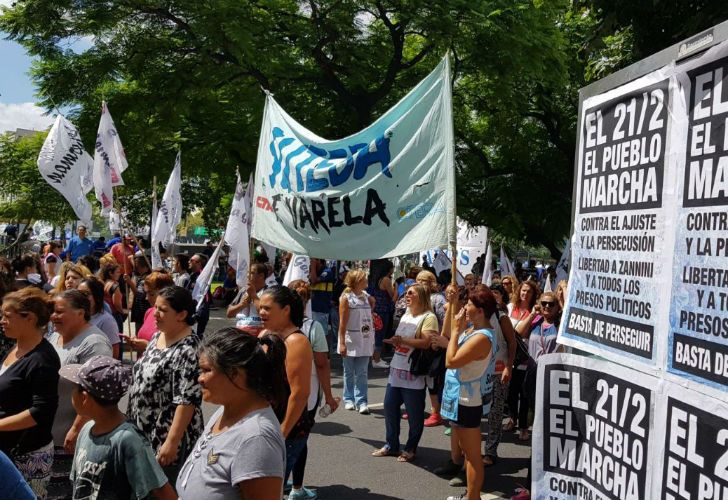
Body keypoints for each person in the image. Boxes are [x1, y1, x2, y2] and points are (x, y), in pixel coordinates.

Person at [176, 327, 287, 499]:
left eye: (206, 370)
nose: (200, 378)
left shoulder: (257, 439)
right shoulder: (225, 411)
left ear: (235, 374)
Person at [61, 356, 176, 499]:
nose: (72, 393)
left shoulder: (128, 439)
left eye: (74, 388)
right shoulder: (86, 430)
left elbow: (161, 489)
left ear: (84, 398)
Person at [126, 286, 204, 485]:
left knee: (163, 490)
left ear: (182, 314)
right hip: (141, 431)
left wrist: (171, 442)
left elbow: (187, 401)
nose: (155, 314)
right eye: (156, 308)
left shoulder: (189, 349)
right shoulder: (157, 336)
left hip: (165, 437)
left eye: (163, 310)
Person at [48, 289, 112, 497]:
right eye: (52, 311)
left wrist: (76, 429)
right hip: (47, 436)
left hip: (68, 438)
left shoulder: (94, 342)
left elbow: (95, 391)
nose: (53, 316)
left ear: (81, 312)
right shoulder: (53, 338)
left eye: (59, 311)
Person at [0, 288, 60, 498]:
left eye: (8, 316)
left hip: (27, 456)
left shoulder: (42, 360)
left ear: (30, 318)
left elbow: (40, 411)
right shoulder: (14, 349)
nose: (2, 321)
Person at [442, 287, 497, 500]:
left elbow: (451, 361)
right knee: (468, 453)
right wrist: (454, 311)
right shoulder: (473, 330)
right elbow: (447, 338)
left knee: (473, 456)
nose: (465, 308)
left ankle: (473, 498)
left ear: (481, 310)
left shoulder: (482, 337)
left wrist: (457, 331)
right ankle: (471, 496)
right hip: (460, 399)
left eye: (469, 305)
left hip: (467, 401)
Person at [373, 283, 438, 463]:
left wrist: (403, 341)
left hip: (414, 371)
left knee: (415, 413)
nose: (406, 295)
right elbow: (403, 340)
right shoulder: (406, 315)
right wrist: (396, 341)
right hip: (397, 368)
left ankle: (411, 448)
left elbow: (426, 343)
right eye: (406, 293)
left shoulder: (429, 317)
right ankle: (391, 445)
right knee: (389, 407)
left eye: (411, 293)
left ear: (421, 296)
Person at [257, 286, 313, 486]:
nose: (261, 312)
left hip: (284, 431)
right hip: (262, 424)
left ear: (286, 310)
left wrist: (282, 432)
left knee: (269, 489)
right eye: (260, 307)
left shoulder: (296, 342)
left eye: (267, 308)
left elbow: (299, 393)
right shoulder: (266, 334)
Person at [287, 280, 338, 499]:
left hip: (278, 394)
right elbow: (322, 364)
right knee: (298, 440)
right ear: (307, 300)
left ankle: (284, 482)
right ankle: (296, 489)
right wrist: (328, 396)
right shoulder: (312, 327)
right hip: (305, 393)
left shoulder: (274, 327)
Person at [515, 290, 563, 438]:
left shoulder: (560, 324)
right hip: (533, 371)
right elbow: (519, 333)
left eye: (551, 304)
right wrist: (532, 314)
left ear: (557, 307)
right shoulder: (536, 322)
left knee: (546, 409)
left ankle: (544, 440)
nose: (547, 306)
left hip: (551, 373)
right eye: (544, 303)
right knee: (532, 406)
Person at [504, 279, 540, 439]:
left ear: (534, 295)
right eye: (523, 290)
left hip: (525, 356)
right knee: (511, 391)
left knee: (524, 392)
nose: (525, 294)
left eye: (529, 291)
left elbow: (521, 333)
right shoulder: (510, 307)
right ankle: (513, 417)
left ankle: (524, 426)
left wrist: (531, 315)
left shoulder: (536, 311)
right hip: (509, 354)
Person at [338, 270, 375, 414]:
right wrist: (341, 343)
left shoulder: (366, 296)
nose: (367, 281)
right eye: (364, 279)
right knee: (348, 372)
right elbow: (342, 323)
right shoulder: (346, 298)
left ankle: (362, 401)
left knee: (362, 372)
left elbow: (373, 302)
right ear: (357, 281)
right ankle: (349, 399)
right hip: (350, 340)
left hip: (365, 339)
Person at [416, 270, 447, 425]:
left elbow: (445, 322)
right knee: (420, 378)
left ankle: (436, 413)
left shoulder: (438, 299)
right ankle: (417, 409)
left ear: (431, 283)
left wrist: (439, 341)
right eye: (418, 280)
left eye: (423, 281)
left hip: (434, 346)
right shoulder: (419, 297)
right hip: (420, 345)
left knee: (432, 381)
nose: (420, 283)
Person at [123, 270, 175, 354]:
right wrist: (135, 341)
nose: (146, 298)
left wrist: (147, 346)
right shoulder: (149, 312)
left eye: (151, 294)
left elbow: (172, 351)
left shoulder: (173, 318)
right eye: (146, 293)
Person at [79, 277, 121, 359]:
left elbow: (114, 353)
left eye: (86, 294)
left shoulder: (106, 321)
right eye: (78, 294)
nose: (81, 298)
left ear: (96, 297)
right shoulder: (76, 317)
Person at [367, 259, 396, 369]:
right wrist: (397, 288)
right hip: (383, 310)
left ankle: (374, 357)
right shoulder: (386, 280)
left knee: (375, 333)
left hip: (376, 309)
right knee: (380, 334)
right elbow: (393, 295)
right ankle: (377, 359)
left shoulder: (377, 279)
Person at [226, 263, 268, 336]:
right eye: (247, 272)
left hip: (259, 334)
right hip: (241, 334)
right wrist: (242, 305)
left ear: (261, 276)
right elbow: (229, 313)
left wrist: (254, 296)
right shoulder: (243, 291)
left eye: (251, 273)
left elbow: (266, 314)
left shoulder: (268, 292)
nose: (248, 275)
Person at [309, 258, 334, 341]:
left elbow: (314, 280)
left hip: (322, 309)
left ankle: (325, 352)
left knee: (322, 334)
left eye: (312, 260)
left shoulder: (327, 271)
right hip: (312, 308)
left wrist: (312, 266)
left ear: (319, 261)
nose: (310, 262)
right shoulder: (313, 272)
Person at [185, 253, 210, 337]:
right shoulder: (193, 276)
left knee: (195, 339)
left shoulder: (203, 278)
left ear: (198, 263)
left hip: (197, 316)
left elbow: (205, 297)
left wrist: (197, 316)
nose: (189, 262)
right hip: (190, 313)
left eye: (191, 260)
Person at [102, 263, 129, 333]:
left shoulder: (105, 283)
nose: (119, 274)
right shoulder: (114, 286)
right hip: (114, 315)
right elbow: (116, 304)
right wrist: (123, 312)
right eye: (117, 272)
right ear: (111, 273)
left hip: (107, 314)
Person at [129, 255, 151, 333]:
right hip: (140, 311)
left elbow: (140, 294)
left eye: (137, 264)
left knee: (140, 333)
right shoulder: (142, 277)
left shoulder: (146, 279)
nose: (135, 266)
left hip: (142, 312)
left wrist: (129, 283)